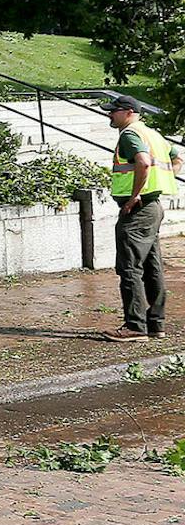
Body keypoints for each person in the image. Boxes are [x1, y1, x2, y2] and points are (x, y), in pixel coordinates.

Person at [100, 94, 175, 343]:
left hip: (138, 210)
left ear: (128, 112)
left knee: (129, 266)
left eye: (113, 111)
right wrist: (159, 183)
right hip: (153, 207)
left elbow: (143, 162)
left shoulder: (130, 135)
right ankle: (156, 325)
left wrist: (135, 196)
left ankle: (135, 326)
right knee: (152, 266)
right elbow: (177, 158)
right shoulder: (153, 134)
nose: (109, 114)